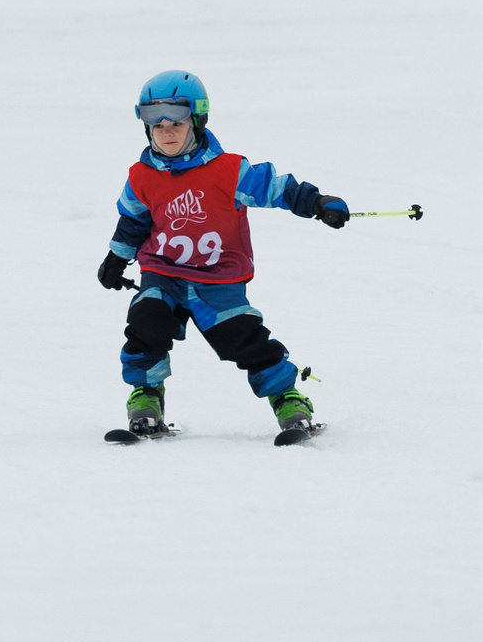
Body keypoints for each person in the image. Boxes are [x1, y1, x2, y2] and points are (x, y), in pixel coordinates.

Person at [95, 71, 348, 445]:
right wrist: (117, 258)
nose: (166, 133)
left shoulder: (228, 171)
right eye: (156, 125)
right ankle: (146, 396)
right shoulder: (141, 176)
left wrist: (317, 203)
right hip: (163, 272)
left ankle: (289, 400)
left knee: (242, 339)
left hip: (218, 278)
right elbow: (133, 221)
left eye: (176, 123)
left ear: (197, 120)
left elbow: (275, 188)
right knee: (147, 320)